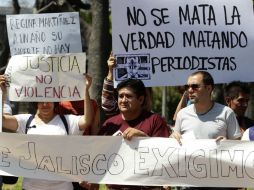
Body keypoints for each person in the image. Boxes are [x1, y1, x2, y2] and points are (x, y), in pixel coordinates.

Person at [0, 74, 93, 190]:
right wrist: (2, 93)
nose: (45, 104)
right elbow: (2, 120)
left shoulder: (67, 121)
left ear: (55, 101)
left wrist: (86, 90)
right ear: (35, 102)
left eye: (49, 100)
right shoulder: (25, 121)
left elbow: (87, 120)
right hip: (30, 187)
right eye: (41, 101)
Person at [170, 71, 241, 190]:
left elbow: (239, 147)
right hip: (189, 183)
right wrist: (172, 138)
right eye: (187, 87)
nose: (190, 90)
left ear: (209, 88)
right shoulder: (182, 114)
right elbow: (175, 145)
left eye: (195, 86)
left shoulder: (226, 113)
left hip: (219, 183)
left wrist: (228, 143)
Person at [99, 78, 170, 190]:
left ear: (141, 99)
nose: (123, 100)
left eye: (128, 96)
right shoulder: (110, 124)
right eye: (121, 96)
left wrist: (144, 138)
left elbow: (165, 155)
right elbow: (99, 156)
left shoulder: (155, 121)